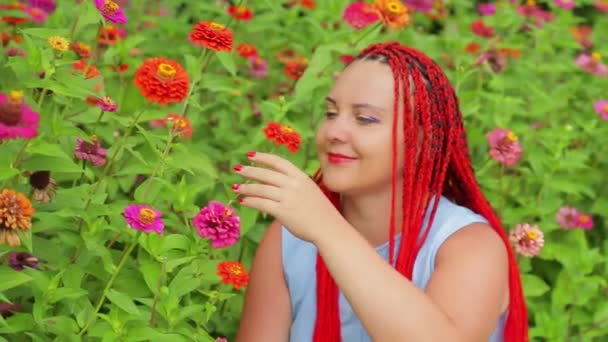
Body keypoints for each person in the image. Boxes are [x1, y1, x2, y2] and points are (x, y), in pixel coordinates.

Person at [232, 41, 528, 342]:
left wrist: (329, 231)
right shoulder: (289, 239)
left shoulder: (469, 246)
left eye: (365, 119)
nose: (334, 132)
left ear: (423, 141)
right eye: (331, 113)